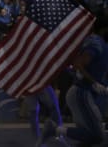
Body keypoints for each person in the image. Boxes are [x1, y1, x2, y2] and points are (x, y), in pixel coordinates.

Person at [37, 15, 108, 147]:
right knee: (97, 135)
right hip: (82, 93)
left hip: (84, 93)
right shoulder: (96, 43)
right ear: (104, 29)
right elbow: (78, 64)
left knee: (90, 137)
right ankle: (53, 130)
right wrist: (94, 82)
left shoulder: (98, 42)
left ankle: (54, 130)